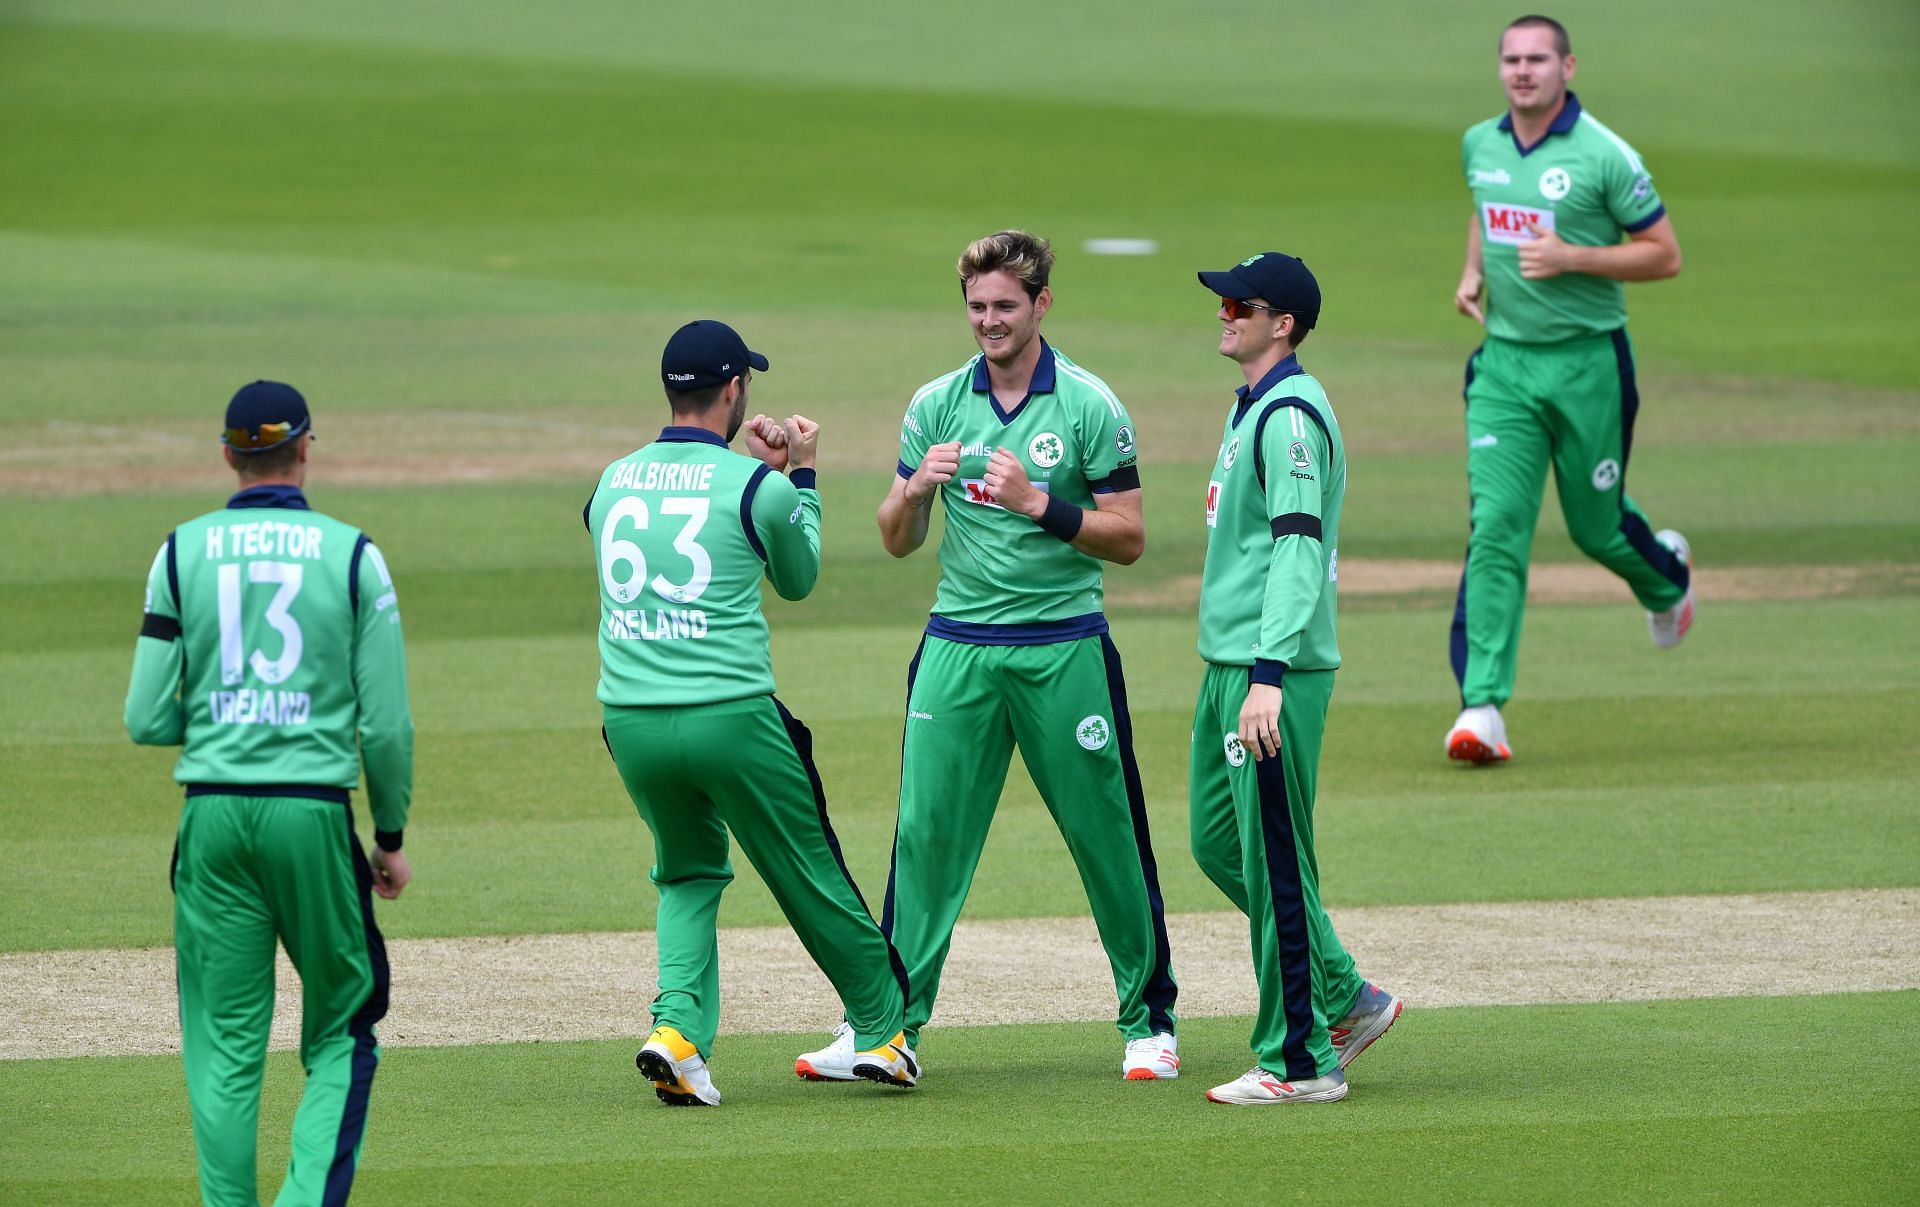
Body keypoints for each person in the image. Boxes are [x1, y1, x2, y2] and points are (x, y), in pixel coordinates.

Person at [796, 230, 1179, 1083]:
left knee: (1105, 835)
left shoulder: (1088, 404)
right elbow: (896, 541)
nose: (989, 322)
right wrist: (912, 490)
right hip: (957, 647)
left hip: (1062, 647)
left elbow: (1131, 538)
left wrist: (1038, 501)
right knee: (924, 839)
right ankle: (889, 1030)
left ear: (1041, 304)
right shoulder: (936, 402)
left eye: (1005, 306)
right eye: (976, 307)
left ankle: (1149, 1019)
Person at [589, 320, 918, 1106]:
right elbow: (798, 575)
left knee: (687, 874)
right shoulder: (755, 485)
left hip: (630, 718)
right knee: (807, 866)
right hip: (731, 714)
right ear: (734, 390)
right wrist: (798, 476)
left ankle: (677, 1034)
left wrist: (758, 477)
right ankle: (883, 1030)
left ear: (672, 390)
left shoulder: (612, 479)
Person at [124, 380, 415, 1204]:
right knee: (343, 1028)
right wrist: (388, 836)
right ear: (307, 448)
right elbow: (387, 726)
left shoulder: (179, 551)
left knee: (221, 1046)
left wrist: (229, 718)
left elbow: (146, 717)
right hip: (312, 813)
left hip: (211, 816)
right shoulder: (353, 554)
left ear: (227, 454)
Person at [1447, 13, 1694, 763]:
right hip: (1505, 368)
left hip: (1589, 365)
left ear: (1568, 68)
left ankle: (1668, 582)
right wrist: (1474, 269)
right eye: (1511, 59)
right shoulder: (1479, 143)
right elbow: (1488, 208)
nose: (1523, 71)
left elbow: (1664, 255)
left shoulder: (1606, 156)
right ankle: (1481, 708)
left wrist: (1573, 256)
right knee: (1496, 527)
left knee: (1596, 528)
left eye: (1538, 60)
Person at [1190, 253, 1402, 1105]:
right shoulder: (1251, 410)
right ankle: (1346, 994)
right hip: (1231, 663)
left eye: (1239, 304)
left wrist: (1268, 674)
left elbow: (1298, 546)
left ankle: (1301, 1059)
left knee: (1277, 857)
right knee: (1220, 841)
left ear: (1283, 323)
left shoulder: (1290, 415)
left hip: (1268, 671)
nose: (1223, 314)